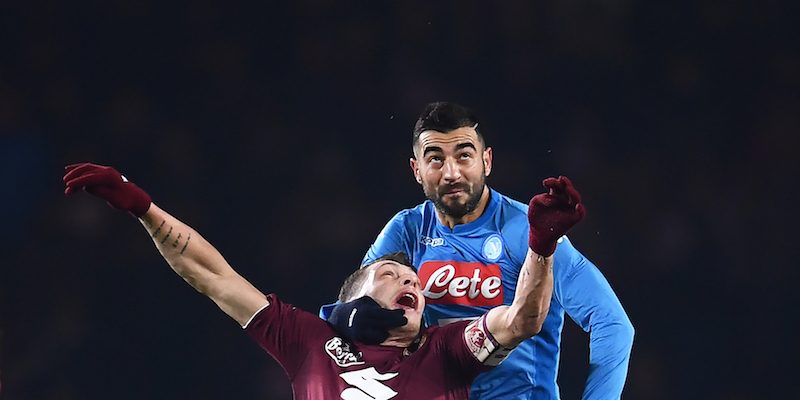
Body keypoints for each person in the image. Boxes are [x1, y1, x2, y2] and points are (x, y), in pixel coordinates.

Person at [62, 161, 586, 400]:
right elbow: (213, 276)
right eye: (391, 273)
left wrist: (540, 245)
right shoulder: (311, 341)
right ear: (354, 296)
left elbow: (523, 319)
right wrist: (144, 208)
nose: (413, 283)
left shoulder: (446, 351)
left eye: (416, 282)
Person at [325, 102, 634, 399]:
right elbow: (347, 313)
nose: (451, 173)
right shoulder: (407, 231)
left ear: (486, 161)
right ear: (416, 169)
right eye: (435, 159)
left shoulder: (528, 231)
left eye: (463, 156)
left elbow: (612, 323)